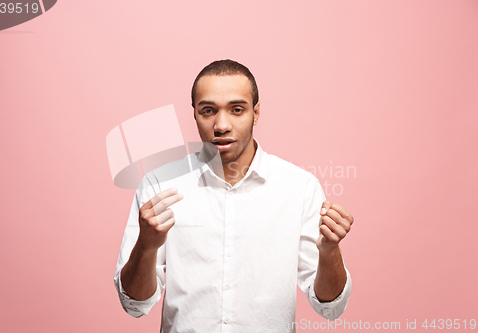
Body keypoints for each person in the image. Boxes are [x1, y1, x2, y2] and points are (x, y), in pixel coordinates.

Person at [114, 59, 354, 332]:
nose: (221, 125)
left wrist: (330, 250)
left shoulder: (300, 188)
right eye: (208, 110)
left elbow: (330, 306)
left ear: (256, 112)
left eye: (237, 109)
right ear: (194, 114)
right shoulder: (159, 185)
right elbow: (134, 304)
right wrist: (146, 245)